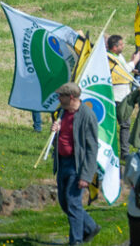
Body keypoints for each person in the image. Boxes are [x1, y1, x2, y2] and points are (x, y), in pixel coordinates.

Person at [51, 82, 101, 245]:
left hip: (76, 165)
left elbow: (92, 148)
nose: (58, 98)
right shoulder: (61, 112)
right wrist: (54, 132)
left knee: (73, 203)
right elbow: (57, 140)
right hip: (62, 162)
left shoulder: (87, 115)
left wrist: (86, 175)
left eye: (61, 96)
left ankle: (76, 241)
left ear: (71, 97)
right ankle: (91, 226)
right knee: (65, 203)